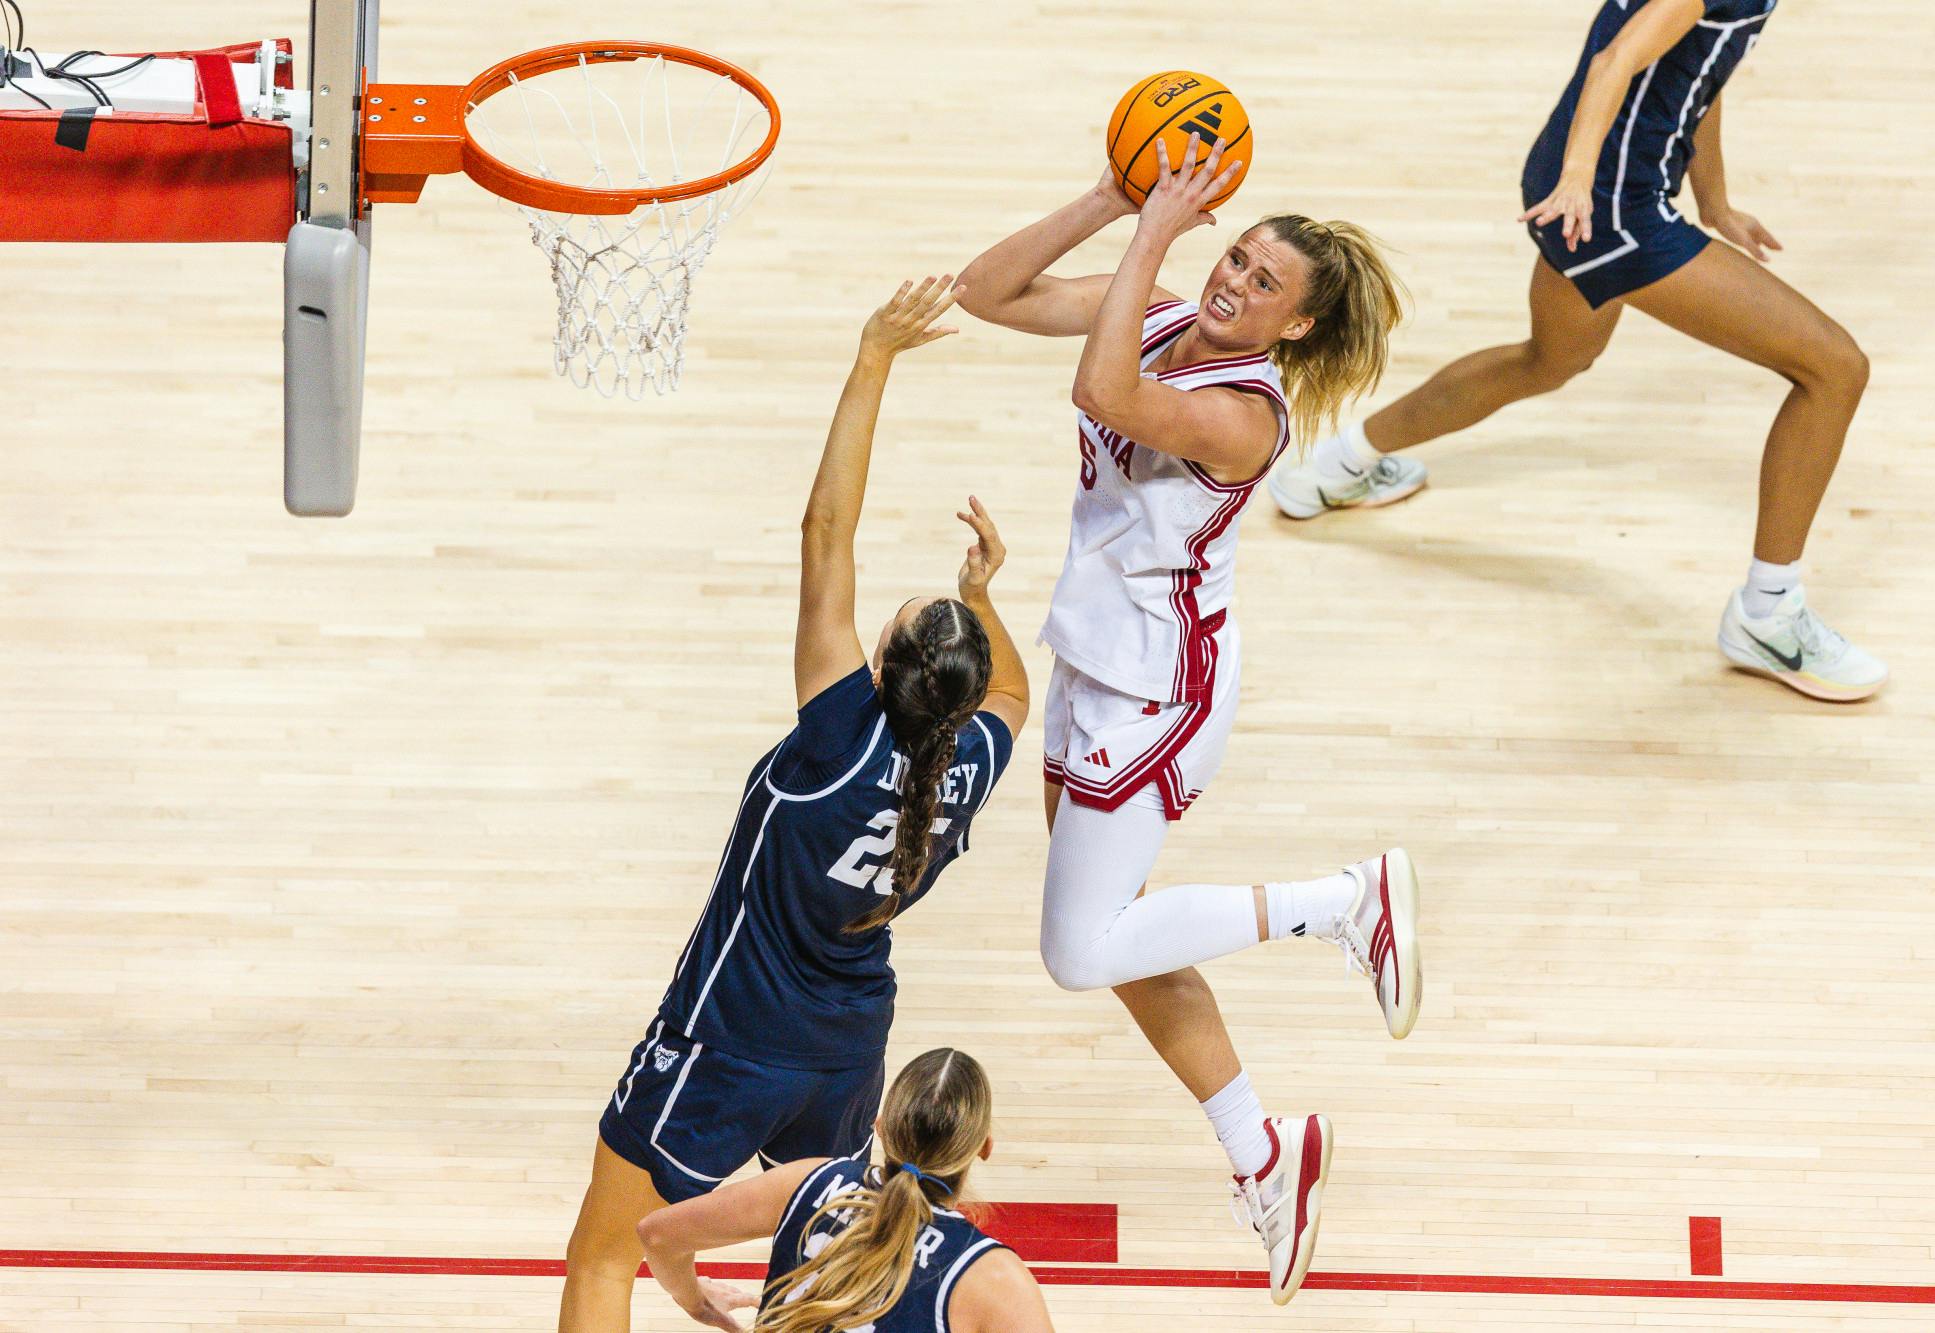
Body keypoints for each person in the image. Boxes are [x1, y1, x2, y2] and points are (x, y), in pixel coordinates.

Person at [957, 140, 1422, 1304]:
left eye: (1264, 282)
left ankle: (1342, 901)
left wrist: (1154, 229)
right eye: (1236, 256)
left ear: (1295, 327)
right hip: (1092, 656)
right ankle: (1262, 1153)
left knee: (1079, 951)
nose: (1232, 280)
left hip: (1155, 688)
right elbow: (984, 292)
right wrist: (1105, 199)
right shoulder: (1157, 311)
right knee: (1121, 940)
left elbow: (1102, 394)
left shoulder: (1244, 414)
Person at [557, 279, 1032, 1333]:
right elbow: (1012, 691)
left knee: (602, 1254)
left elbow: (825, 530)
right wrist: (983, 595)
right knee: (821, 1262)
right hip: (846, 1050)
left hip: (727, 1035)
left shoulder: (837, 736)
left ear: (880, 662)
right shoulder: (969, 761)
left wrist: (873, 356)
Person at [1271, 0, 1884, 702]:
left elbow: (1695, 70)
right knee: (1834, 369)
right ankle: (1769, 615)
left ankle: (1334, 466)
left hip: (1592, 193)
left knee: (1550, 360)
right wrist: (1577, 180)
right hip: (1608, 207)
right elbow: (1614, 62)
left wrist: (1714, 201)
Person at [636, 1048, 1055, 1332]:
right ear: (984, 1147)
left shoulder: (806, 1181)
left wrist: (695, 1300)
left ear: (881, 1127)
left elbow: (656, 1234)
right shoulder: (994, 1278)